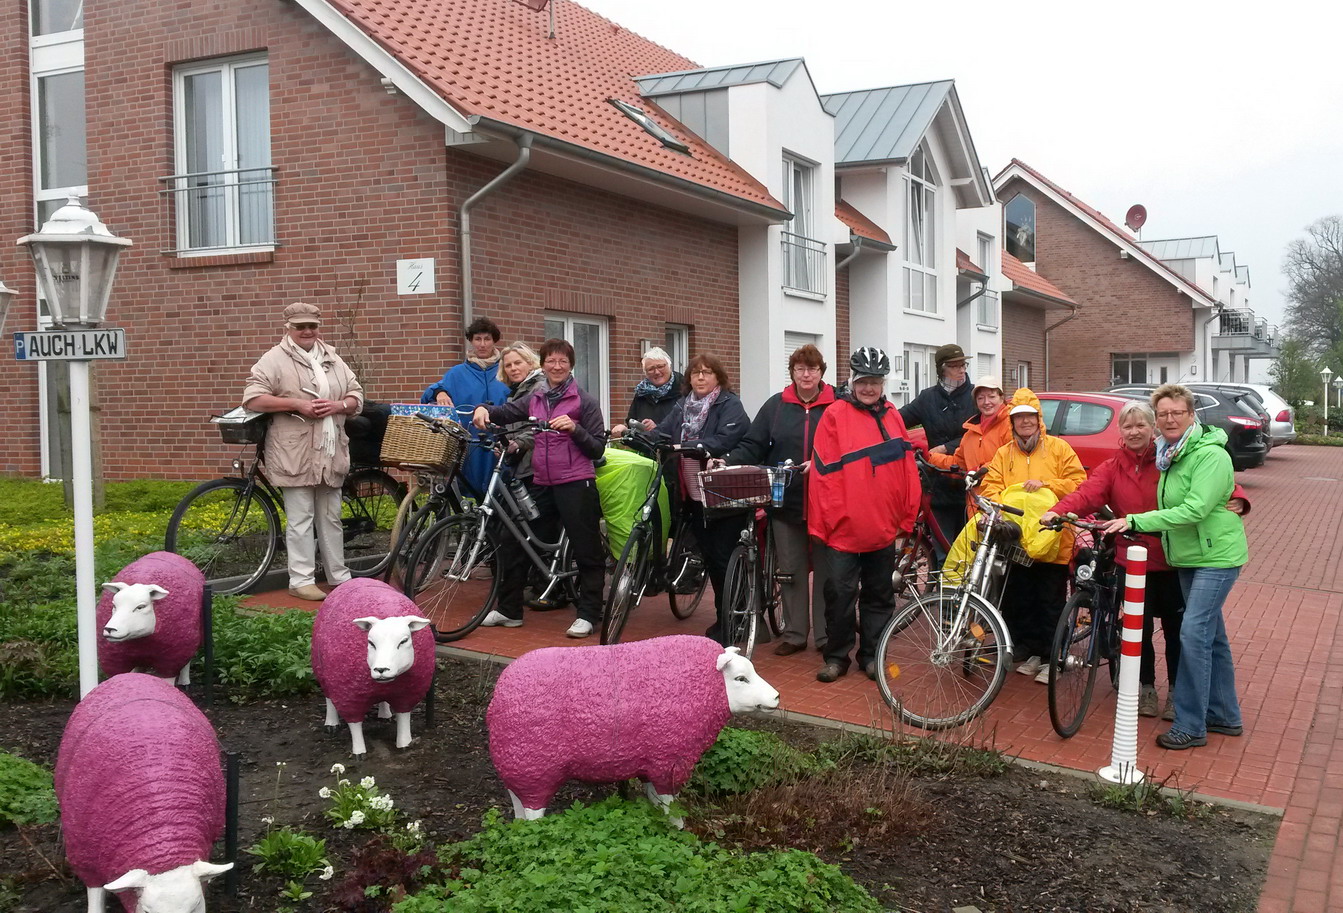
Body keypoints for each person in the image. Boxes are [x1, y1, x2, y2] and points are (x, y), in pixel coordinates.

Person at [1043, 401, 1250, 718]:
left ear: (1152, 428)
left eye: (1141, 424)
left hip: (1172, 559)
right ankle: (1146, 687)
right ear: (1121, 432)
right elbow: (1088, 493)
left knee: (1176, 628)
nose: (1135, 431)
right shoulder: (1114, 466)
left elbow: (1209, 485)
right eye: (1128, 426)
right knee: (1135, 630)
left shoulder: (1171, 458)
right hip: (1132, 560)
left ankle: (1178, 692)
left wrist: (1239, 496)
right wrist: (1057, 512)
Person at [1101, 384, 1248, 750]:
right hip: (1187, 557)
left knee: (1193, 635)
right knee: (1213, 638)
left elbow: (1196, 508)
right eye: (1163, 413)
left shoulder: (1208, 454)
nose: (1169, 419)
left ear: (1191, 414)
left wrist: (1135, 521)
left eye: (1176, 413)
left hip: (1215, 557)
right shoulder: (1171, 454)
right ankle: (1224, 714)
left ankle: (1191, 724)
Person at [472, 338, 607, 638]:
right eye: (551, 361)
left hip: (576, 483)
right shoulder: (536, 398)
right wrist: (483, 409)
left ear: (571, 365)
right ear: (543, 364)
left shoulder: (584, 401)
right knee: (513, 539)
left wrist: (576, 430)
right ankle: (509, 610)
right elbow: (506, 412)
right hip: (542, 482)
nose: (556, 366)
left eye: (563, 361)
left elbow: (598, 448)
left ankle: (588, 614)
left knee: (586, 550)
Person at [808, 347, 921, 682]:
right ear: (853, 381)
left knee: (879, 596)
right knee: (840, 595)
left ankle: (871, 655)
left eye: (875, 382)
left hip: (882, 528)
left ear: (883, 384)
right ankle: (837, 657)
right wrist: (827, 522)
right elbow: (822, 475)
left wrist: (906, 516)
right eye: (864, 382)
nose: (869, 388)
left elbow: (906, 470)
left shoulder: (893, 416)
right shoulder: (834, 415)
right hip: (845, 529)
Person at [243, 302, 364, 601]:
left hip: (330, 448)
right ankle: (301, 579)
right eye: (300, 326)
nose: (307, 331)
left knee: (331, 515)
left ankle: (339, 575)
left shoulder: (332, 357)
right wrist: (297, 404)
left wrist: (339, 405)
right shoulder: (273, 359)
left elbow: (356, 394)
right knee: (300, 517)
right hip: (294, 451)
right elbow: (253, 399)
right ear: (288, 328)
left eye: (312, 325)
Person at [727, 344, 836, 656]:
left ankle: (827, 636)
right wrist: (729, 460)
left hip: (827, 504)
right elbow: (753, 443)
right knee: (789, 570)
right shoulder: (776, 406)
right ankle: (795, 633)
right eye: (800, 368)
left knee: (829, 572)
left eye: (812, 369)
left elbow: (847, 447)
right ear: (792, 372)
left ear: (821, 372)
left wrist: (821, 462)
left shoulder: (837, 406)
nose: (806, 374)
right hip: (785, 502)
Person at [979, 388, 1086, 680]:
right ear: (1011, 423)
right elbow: (990, 487)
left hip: (1052, 539)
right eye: (1018, 418)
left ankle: (1053, 657)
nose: (1024, 422)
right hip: (1016, 542)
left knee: (1050, 600)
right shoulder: (1004, 453)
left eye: (1029, 417)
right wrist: (1003, 502)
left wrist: (1047, 484)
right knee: (1019, 596)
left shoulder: (1059, 448)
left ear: (1039, 419)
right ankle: (1029, 648)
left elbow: (1079, 483)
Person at [653, 354, 751, 647]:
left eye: (707, 373)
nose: (700, 378)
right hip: (693, 495)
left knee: (724, 559)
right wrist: (646, 436)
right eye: (696, 373)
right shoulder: (683, 405)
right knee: (709, 558)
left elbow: (727, 437)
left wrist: (695, 446)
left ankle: (733, 620)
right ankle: (726, 616)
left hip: (722, 495)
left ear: (718, 377)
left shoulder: (729, 404)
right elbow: (664, 430)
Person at [478, 343, 547, 628]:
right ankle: (511, 606)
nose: (513, 368)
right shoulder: (518, 392)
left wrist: (519, 443)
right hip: (523, 469)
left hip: (539, 470)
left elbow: (539, 428)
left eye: (518, 362)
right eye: (508, 365)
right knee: (511, 535)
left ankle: (511, 609)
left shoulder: (538, 388)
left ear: (530, 363)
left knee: (514, 536)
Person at [900, 344, 977, 557]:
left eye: (963, 364)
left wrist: (946, 447)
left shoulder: (975, 396)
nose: (961, 370)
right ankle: (940, 590)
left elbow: (983, 432)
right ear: (942, 369)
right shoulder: (928, 398)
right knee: (943, 553)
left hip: (968, 486)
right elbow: (897, 420)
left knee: (967, 552)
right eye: (955, 366)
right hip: (938, 486)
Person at [422, 317, 510, 499]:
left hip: (501, 442)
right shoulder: (457, 373)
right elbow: (428, 395)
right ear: (471, 341)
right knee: (468, 492)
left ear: (494, 340)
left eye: (487, 339)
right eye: (478, 339)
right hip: (470, 445)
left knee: (502, 495)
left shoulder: (507, 369)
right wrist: (440, 392)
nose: (482, 344)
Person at [924, 375, 1012, 520]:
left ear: (1001, 398)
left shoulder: (1010, 426)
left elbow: (1010, 460)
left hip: (1003, 506)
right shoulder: (970, 434)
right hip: (976, 505)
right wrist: (930, 458)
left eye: (992, 396)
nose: (986, 402)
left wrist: (978, 472)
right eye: (981, 398)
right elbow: (958, 464)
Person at [623, 346, 685, 432]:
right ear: (645, 373)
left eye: (660, 367)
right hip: (647, 444)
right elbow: (631, 422)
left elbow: (688, 426)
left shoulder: (684, 390)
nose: (656, 372)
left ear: (669, 366)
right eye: (651, 369)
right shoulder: (642, 393)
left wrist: (658, 428)